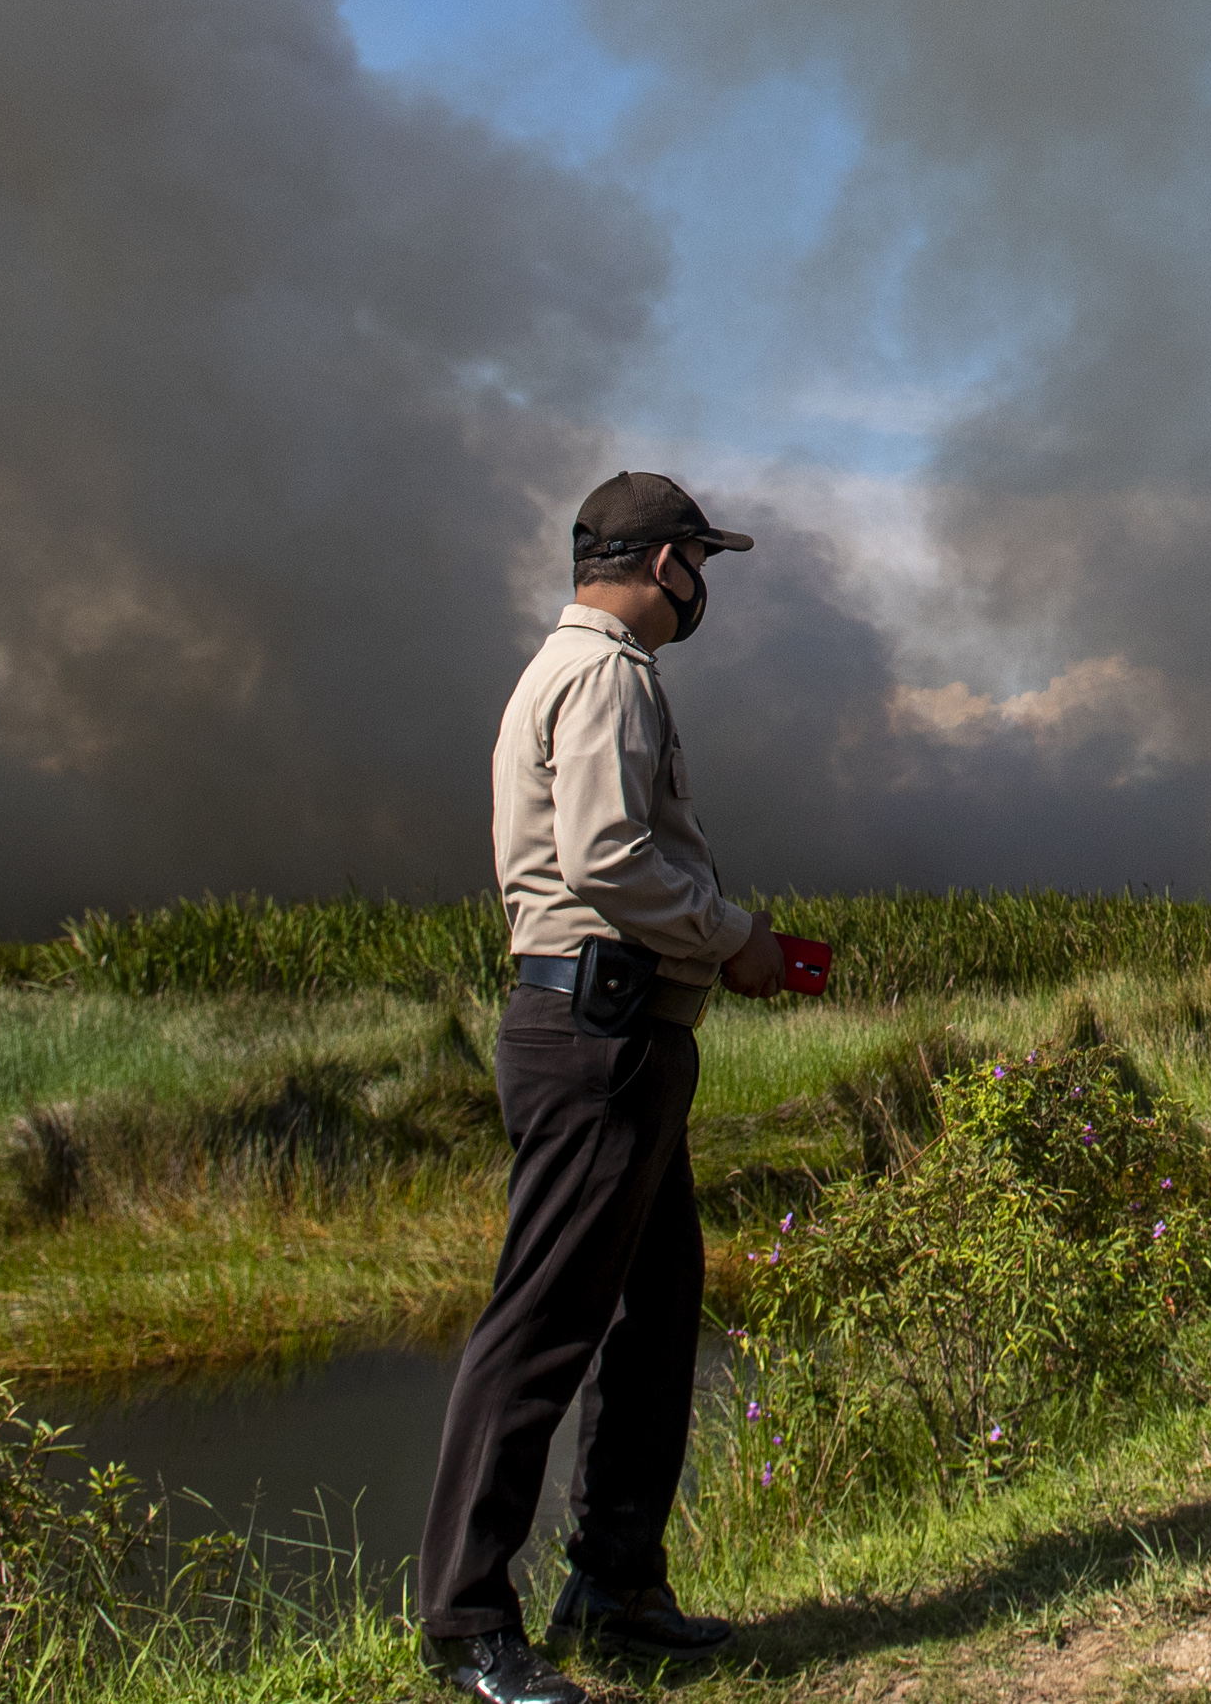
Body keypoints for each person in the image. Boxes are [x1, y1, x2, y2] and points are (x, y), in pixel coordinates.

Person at [415, 472, 792, 1704]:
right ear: (664, 562)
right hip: (600, 1033)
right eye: (701, 565)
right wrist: (732, 937)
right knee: (542, 1326)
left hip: (616, 1031)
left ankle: (616, 1588)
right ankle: (468, 1622)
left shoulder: (573, 670)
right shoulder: (608, 676)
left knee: (654, 1313)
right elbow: (608, 859)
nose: (702, 590)